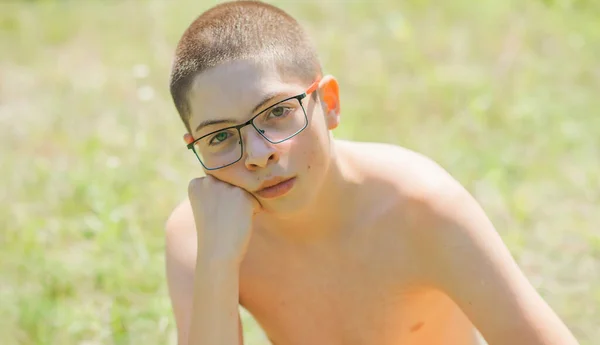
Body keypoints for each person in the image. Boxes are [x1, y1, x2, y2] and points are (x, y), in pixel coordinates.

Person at [163, 1, 580, 344]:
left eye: (276, 113)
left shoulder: (421, 206)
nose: (257, 155)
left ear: (328, 103)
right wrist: (217, 261)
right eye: (219, 137)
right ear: (193, 147)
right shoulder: (201, 235)